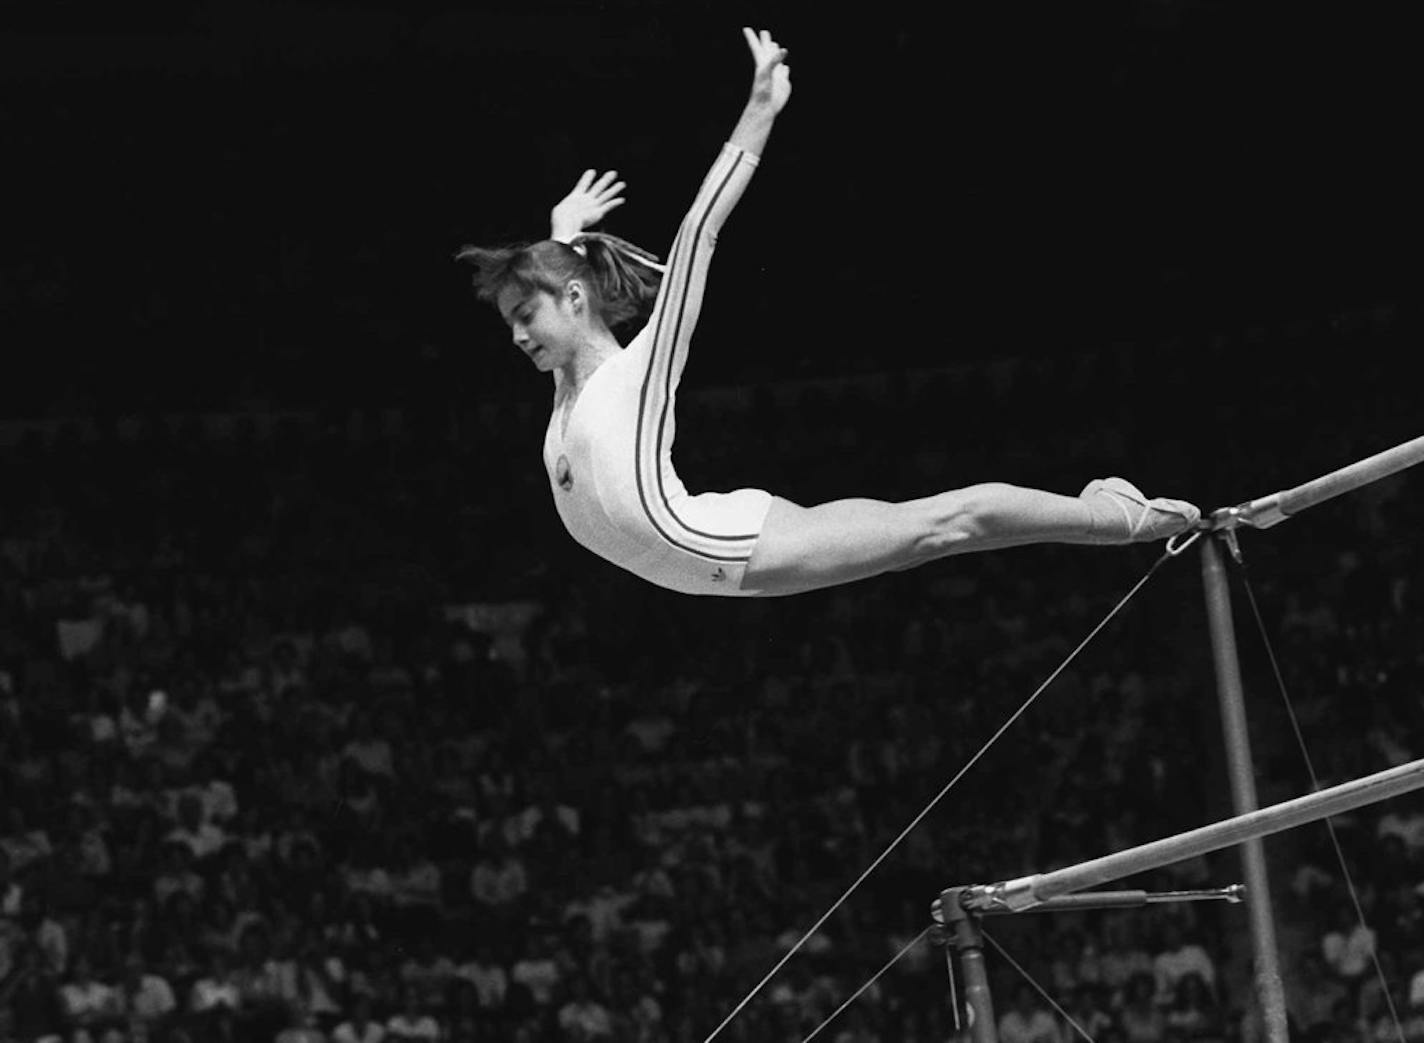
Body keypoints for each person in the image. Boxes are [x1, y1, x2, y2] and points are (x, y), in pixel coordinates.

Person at [458, 27, 1200, 598]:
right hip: (716, 540)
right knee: (937, 527)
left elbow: (699, 230)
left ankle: (1118, 518)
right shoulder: (569, 382)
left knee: (945, 526)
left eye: (526, 314)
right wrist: (560, 234)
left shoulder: (637, 374)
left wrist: (756, 112)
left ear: (575, 298)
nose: (518, 336)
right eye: (510, 322)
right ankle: (1108, 512)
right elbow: (564, 297)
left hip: (732, 549)